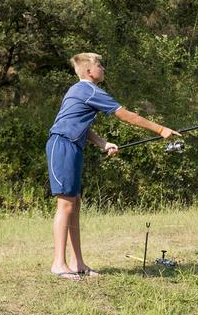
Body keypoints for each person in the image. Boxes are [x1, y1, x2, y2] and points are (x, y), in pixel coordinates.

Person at [46, 52, 179, 280]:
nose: (103, 68)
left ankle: (78, 263)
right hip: (63, 146)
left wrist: (103, 143)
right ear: (89, 71)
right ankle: (59, 263)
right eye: (100, 65)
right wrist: (160, 129)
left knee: (74, 204)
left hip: (72, 146)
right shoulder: (89, 90)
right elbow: (125, 115)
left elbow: (80, 125)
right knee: (65, 205)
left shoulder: (78, 90)